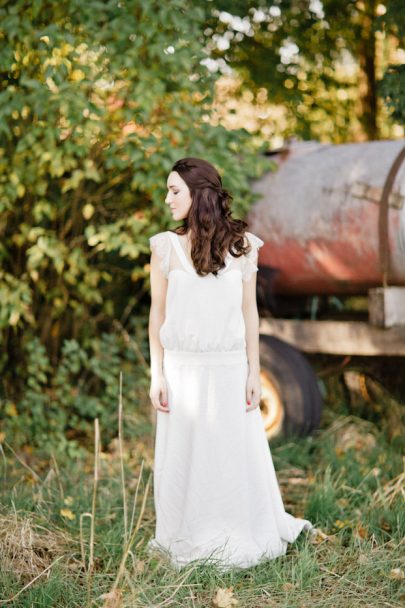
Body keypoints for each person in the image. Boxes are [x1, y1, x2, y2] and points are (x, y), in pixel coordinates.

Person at [147, 157, 313, 571]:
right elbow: (157, 316)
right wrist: (157, 373)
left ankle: (233, 532)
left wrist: (253, 370)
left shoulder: (244, 247)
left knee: (227, 457)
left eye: (174, 190)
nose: (167, 198)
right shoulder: (164, 246)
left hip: (227, 369)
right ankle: (187, 534)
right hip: (182, 371)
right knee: (184, 459)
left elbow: (249, 313)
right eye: (168, 190)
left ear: (198, 194)